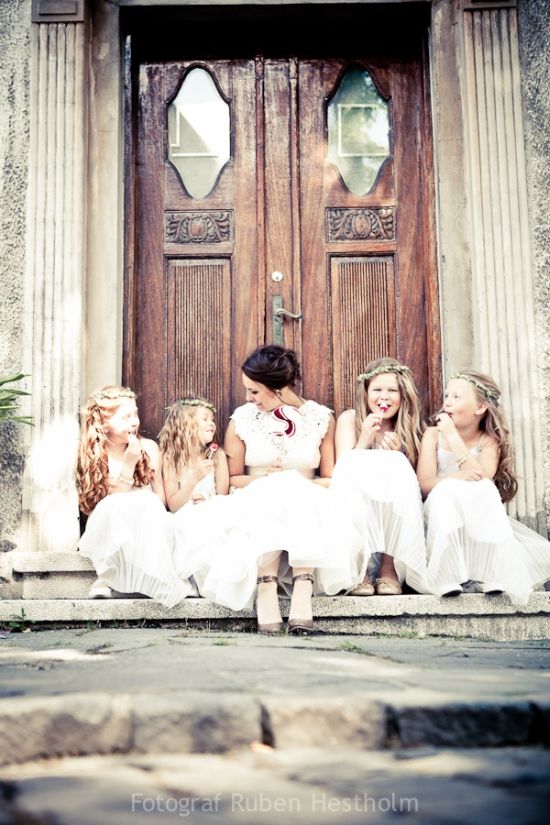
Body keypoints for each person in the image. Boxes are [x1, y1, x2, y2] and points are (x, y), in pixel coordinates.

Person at [168, 345, 338, 634]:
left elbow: (330, 478)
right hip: (257, 499)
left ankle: (303, 585)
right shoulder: (243, 419)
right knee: (275, 488)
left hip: (308, 499)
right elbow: (233, 478)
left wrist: (292, 481)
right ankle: (266, 585)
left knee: (291, 486)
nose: (248, 397)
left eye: (254, 391)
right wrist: (268, 480)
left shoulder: (321, 418)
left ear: (278, 388)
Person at [416, 370, 550, 604]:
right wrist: (456, 476)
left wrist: (453, 438)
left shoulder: (488, 440)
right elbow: (425, 485)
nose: (447, 402)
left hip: (474, 509)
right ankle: (446, 574)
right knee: (448, 492)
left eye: (456, 397)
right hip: (439, 509)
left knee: (485, 490)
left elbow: (481, 477)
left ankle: (487, 572)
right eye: (447, 395)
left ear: (480, 408)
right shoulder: (432, 435)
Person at [76, 385, 190, 607]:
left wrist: (138, 502)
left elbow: (160, 499)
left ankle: (159, 577)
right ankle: (106, 577)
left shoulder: (149, 447)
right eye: (125, 417)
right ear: (103, 423)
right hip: (110, 521)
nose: (134, 422)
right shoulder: (95, 453)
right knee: (113, 506)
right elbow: (99, 503)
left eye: (135, 414)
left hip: (148, 520)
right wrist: (129, 463)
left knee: (147, 501)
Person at [330, 357, 427, 596]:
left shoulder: (409, 425)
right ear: (365, 393)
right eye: (377, 390)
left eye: (392, 390)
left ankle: (388, 568)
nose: (384, 396)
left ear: (403, 395)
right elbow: (342, 469)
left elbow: (414, 481)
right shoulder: (349, 419)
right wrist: (365, 438)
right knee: (355, 465)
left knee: (395, 464)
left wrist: (399, 454)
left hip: (391, 508)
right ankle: (360, 570)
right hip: (357, 499)